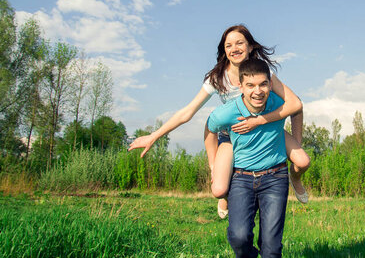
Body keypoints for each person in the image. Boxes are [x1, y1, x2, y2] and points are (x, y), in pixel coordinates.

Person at [128, 25, 310, 218]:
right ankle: (227, 192)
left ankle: (295, 178)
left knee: (303, 161)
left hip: (264, 129)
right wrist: (154, 136)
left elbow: (295, 104)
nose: (235, 48)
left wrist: (260, 122)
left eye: (240, 43)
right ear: (224, 51)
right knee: (219, 189)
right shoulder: (217, 78)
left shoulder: (261, 73)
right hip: (233, 134)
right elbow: (188, 112)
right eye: (228, 45)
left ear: (250, 47)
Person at [206, 58, 290, 257]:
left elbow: (297, 108)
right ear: (240, 86)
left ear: (270, 84)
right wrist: (213, 164)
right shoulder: (226, 113)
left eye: (263, 84)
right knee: (239, 237)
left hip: (275, 177)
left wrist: (299, 139)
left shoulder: (279, 103)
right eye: (250, 85)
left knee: (272, 249)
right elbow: (209, 130)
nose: (257, 91)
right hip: (241, 178)